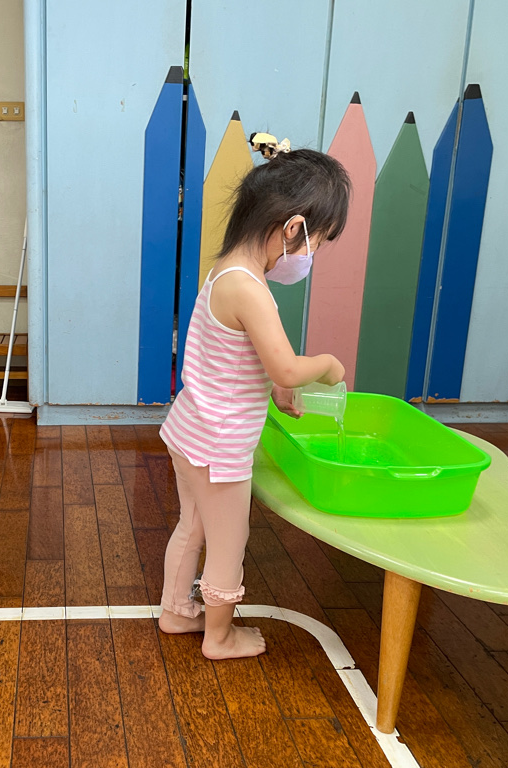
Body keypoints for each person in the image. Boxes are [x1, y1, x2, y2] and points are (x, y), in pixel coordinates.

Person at [158, 138, 351, 659]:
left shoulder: (227, 269)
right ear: (292, 227)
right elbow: (285, 363)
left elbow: (237, 355)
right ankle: (219, 637)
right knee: (228, 544)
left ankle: (177, 612)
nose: (311, 256)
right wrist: (325, 365)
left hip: (191, 431)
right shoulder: (249, 288)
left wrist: (277, 385)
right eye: (317, 243)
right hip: (220, 449)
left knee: (192, 526)